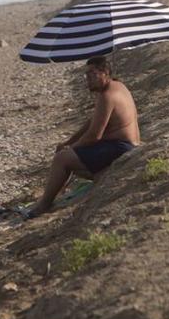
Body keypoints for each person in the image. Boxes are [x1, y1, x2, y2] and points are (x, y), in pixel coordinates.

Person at [25, 57, 140, 217]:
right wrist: (69, 141)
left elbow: (94, 136)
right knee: (70, 154)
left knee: (62, 159)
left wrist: (70, 149)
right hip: (123, 144)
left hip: (121, 146)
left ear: (105, 72)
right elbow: (93, 120)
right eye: (86, 75)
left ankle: (43, 205)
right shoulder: (117, 86)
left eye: (93, 74)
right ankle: (99, 176)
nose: (88, 79)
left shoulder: (107, 96)